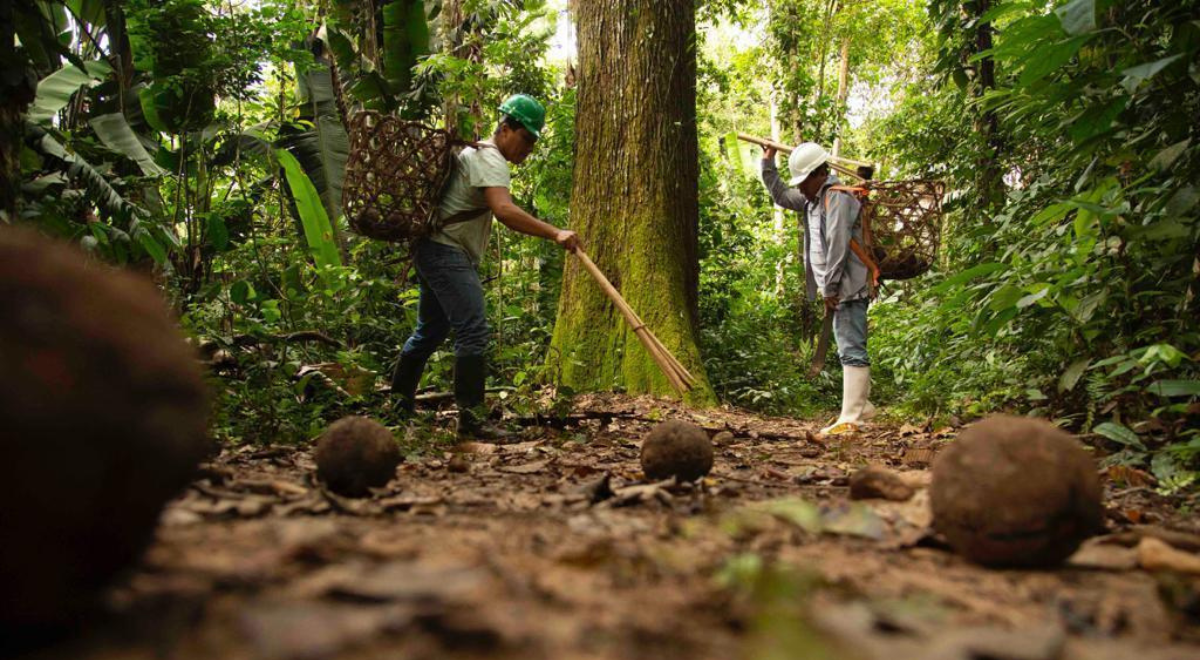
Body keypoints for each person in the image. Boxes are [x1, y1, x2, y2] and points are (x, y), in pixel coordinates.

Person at [391, 94, 580, 441]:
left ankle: (396, 409)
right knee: (473, 330)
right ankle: (472, 420)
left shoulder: (475, 152)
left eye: (534, 142)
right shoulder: (490, 157)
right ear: (505, 129)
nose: (529, 148)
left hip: (432, 247)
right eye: (526, 138)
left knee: (429, 332)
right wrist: (555, 233)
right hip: (446, 251)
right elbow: (504, 210)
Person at [760, 142, 875, 435]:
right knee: (847, 343)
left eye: (803, 181)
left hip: (847, 287)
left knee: (851, 347)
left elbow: (838, 244)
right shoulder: (812, 200)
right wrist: (768, 163)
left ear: (820, 174)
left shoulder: (838, 197)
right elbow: (781, 195)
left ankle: (852, 418)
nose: (800, 187)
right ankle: (862, 407)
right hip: (836, 288)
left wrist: (830, 287)